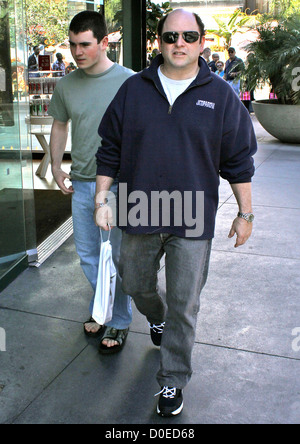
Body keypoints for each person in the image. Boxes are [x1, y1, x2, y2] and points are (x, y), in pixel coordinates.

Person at [95, 9, 257, 417]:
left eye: (188, 36)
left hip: (191, 216)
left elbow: (238, 161)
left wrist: (246, 214)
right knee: (133, 281)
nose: (179, 43)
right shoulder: (133, 90)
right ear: (159, 42)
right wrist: (102, 200)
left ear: (202, 42)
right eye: (170, 37)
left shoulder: (220, 95)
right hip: (138, 208)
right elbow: (109, 150)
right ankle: (156, 316)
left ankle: (172, 380)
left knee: (186, 304)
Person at [48, 10, 133, 354]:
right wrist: (55, 166)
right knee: (87, 256)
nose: (77, 52)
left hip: (116, 185)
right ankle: (103, 309)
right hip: (81, 182)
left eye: (85, 44)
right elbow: (59, 125)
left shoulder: (130, 81)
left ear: (104, 42)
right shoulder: (66, 84)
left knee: (116, 256)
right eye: (72, 45)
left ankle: (120, 320)